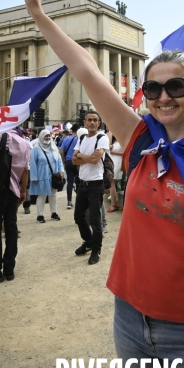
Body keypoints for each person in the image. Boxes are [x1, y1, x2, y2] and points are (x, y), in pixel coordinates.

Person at [11, 0, 184, 368]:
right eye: (153, 88)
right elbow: (86, 69)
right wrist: (37, 12)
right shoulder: (141, 139)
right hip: (130, 316)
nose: (163, 97)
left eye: (175, 87)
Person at [0, 129, 30, 282]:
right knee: (11, 228)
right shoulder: (25, 143)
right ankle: (9, 270)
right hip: (13, 190)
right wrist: (23, 191)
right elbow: (24, 171)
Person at [72, 111, 109, 265]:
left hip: (95, 184)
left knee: (95, 220)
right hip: (83, 183)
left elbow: (95, 160)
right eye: (90, 120)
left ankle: (96, 249)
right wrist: (84, 157)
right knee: (78, 217)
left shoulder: (102, 138)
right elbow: (73, 160)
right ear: (84, 122)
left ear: (99, 123)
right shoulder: (81, 138)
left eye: (95, 120)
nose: (92, 123)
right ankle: (89, 241)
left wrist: (81, 156)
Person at [29, 130, 64, 223]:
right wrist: (34, 177)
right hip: (42, 175)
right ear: (41, 137)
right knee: (42, 195)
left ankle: (54, 213)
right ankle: (40, 215)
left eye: (49, 136)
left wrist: (61, 171)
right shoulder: (36, 149)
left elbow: (59, 160)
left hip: (54, 175)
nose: (48, 138)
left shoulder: (54, 147)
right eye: (46, 136)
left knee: (53, 195)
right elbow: (33, 164)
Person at [59, 123, 79, 209]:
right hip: (78, 162)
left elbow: (61, 151)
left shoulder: (66, 139)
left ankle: (69, 201)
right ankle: (79, 201)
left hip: (68, 161)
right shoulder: (79, 139)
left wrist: (63, 160)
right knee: (79, 181)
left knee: (70, 182)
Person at [107, 137, 123, 213]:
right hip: (113, 162)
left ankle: (113, 203)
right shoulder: (116, 141)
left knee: (112, 183)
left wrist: (114, 152)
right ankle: (113, 202)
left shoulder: (122, 140)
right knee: (112, 183)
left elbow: (126, 152)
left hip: (117, 163)